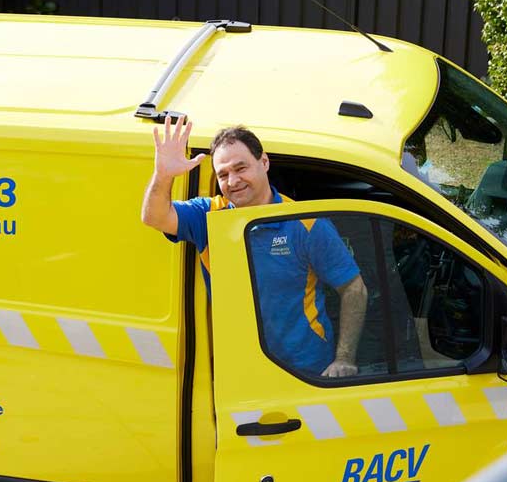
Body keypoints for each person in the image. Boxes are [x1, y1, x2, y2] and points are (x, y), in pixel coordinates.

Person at [140, 118, 367, 378]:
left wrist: (344, 359)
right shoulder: (209, 215)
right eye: (223, 174)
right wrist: (164, 174)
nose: (233, 181)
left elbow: (354, 288)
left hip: (309, 373)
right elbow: (154, 217)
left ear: (265, 162)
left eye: (241, 168)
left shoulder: (305, 223)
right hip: (243, 376)